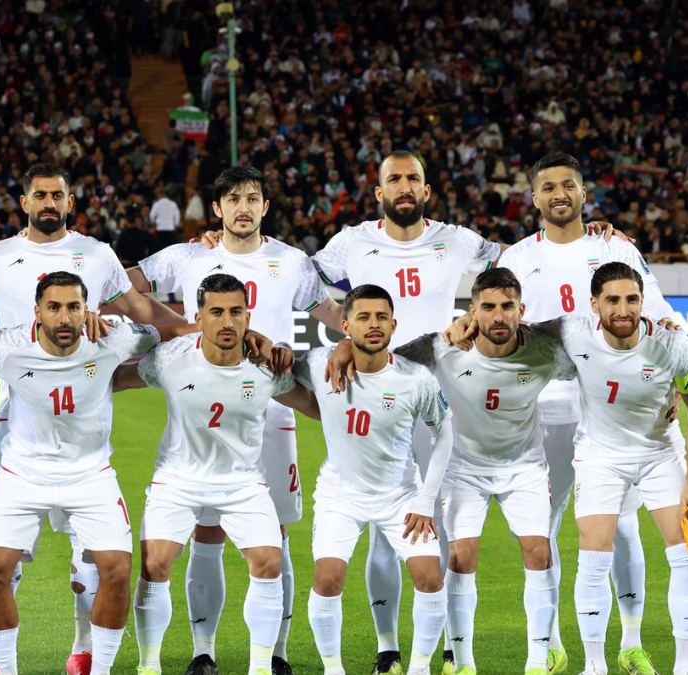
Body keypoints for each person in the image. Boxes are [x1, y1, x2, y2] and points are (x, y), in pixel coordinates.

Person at [0, 163, 185, 675]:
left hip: (84, 406)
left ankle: (83, 648)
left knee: (91, 561)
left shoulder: (97, 255)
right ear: (24, 201)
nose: (48, 202)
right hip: (16, 414)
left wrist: (193, 327)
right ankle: (0, 657)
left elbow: (138, 309)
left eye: (58, 195)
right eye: (39, 195)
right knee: (2, 558)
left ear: (70, 201)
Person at [128, 165, 345, 675]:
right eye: (232, 198)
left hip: (273, 408)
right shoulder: (188, 256)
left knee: (278, 536)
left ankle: (277, 654)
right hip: (203, 404)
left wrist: (357, 337)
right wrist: (178, 325)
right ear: (217, 208)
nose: (243, 207)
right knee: (206, 533)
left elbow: (332, 314)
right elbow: (125, 286)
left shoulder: (290, 261)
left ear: (265, 207)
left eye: (253, 198)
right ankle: (203, 653)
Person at [474, 152, 677, 675]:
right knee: (542, 531)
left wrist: (676, 377)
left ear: (585, 194)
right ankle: (547, 648)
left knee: (624, 526)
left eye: (569, 185)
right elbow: (492, 331)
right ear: (535, 197)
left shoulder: (615, 247)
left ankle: (630, 642)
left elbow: (660, 315)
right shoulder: (514, 258)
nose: (559, 194)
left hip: (612, 410)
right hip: (538, 410)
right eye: (548, 187)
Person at [312, 151, 501, 675]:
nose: (403, 186)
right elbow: (307, 283)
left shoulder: (456, 239)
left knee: (438, 520)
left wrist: (590, 233)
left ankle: (446, 646)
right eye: (393, 178)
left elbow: (516, 260)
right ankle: (388, 646)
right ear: (378, 192)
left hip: (442, 395)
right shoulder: (351, 242)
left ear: (426, 189)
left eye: (412, 178)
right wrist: (344, 334)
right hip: (380, 391)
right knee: (381, 525)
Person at [0, 271, 183, 675]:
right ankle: (6, 668)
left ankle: (98, 669)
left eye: (74, 307)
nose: (65, 317)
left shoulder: (113, 336)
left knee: (117, 572)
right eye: (54, 307)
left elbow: (168, 332)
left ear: (87, 309)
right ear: (37, 312)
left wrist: (248, 336)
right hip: (22, 474)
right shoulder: (7, 347)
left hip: (90, 474)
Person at [394, 268, 578, 675]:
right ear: (472, 311)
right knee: (461, 558)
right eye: (489, 307)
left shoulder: (546, 353)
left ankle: (536, 662)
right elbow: (384, 363)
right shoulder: (443, 348)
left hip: (524, 466)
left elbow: (599, 368)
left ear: (521, 311)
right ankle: (462, 664)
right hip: (463, 468)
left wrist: (664, 390)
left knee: (539, 550)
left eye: (507, 307)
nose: (498, 317)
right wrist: (340, 351)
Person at [113, 273, 299, 675]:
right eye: (216, 312)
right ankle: (149, 666)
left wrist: (288, 351)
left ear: (248, 317)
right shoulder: (170, 358)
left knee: (268, 562)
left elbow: (318, 403)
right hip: (178, 478)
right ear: (197, 316)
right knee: (155, 564)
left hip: (243, 482)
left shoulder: (266, 366)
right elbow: (116, 380)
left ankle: (261, 668)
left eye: (236, 312)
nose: (227, 322)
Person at [552, 263, 688, 675]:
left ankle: (685, 667)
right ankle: (594, 666)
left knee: (685, 554)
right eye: (612, 300)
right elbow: (513, 335)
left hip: (660, 452)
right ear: (595, 304)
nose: (623, 310)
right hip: (599, 456)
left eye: (632, 299)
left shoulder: (673, 344)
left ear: (643, 301)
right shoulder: (573, 334)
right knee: (593, 552)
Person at [289, 284, 452, 675]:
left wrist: (424, 500)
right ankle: (333, 669)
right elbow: (279, 369)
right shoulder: (317, 363)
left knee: (430, 579)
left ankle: (418, 668)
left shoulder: (416, 379)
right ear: (345, 325)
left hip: (400, 495)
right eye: (363, 317)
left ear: (394, 325)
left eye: (381, 317)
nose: (373, 324)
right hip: (340, 494)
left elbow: (443, 431)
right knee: (328, 580)